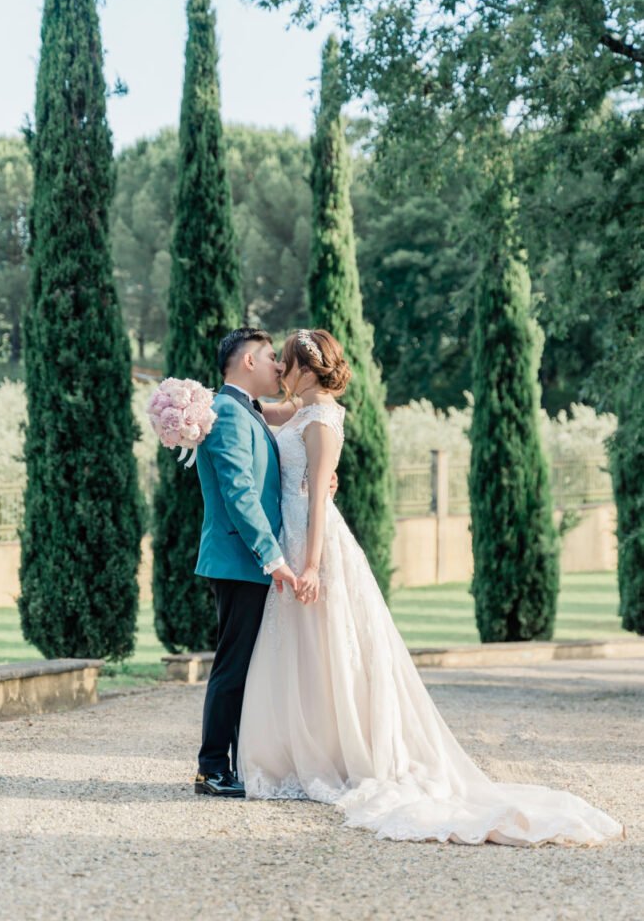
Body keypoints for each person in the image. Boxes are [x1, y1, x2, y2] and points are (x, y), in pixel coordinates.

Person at [237, 328, 624, 846]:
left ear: (306, 369)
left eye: (284, 363)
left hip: (316, 540)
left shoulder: (324, 418)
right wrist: (198, 407)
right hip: (292, 527)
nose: (279, 371)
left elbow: (321, 500)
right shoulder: (301, 410)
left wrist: (310, 566)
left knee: (332, 647)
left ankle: (340, 753)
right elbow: (258, 413)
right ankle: (304, 748)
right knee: (304, 651)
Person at [193, 328, 330, 798]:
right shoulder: (228, 413)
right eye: (271, 356)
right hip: (240, 560)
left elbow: (274, 477)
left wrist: (317, 483)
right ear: (248, 361)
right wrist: (274, 560)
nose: (277, 365)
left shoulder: (247, 411)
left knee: (244, 666)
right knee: (232, 666)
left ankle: (230, 765)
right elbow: (239, 495)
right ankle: (211, 769)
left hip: (247, 560)